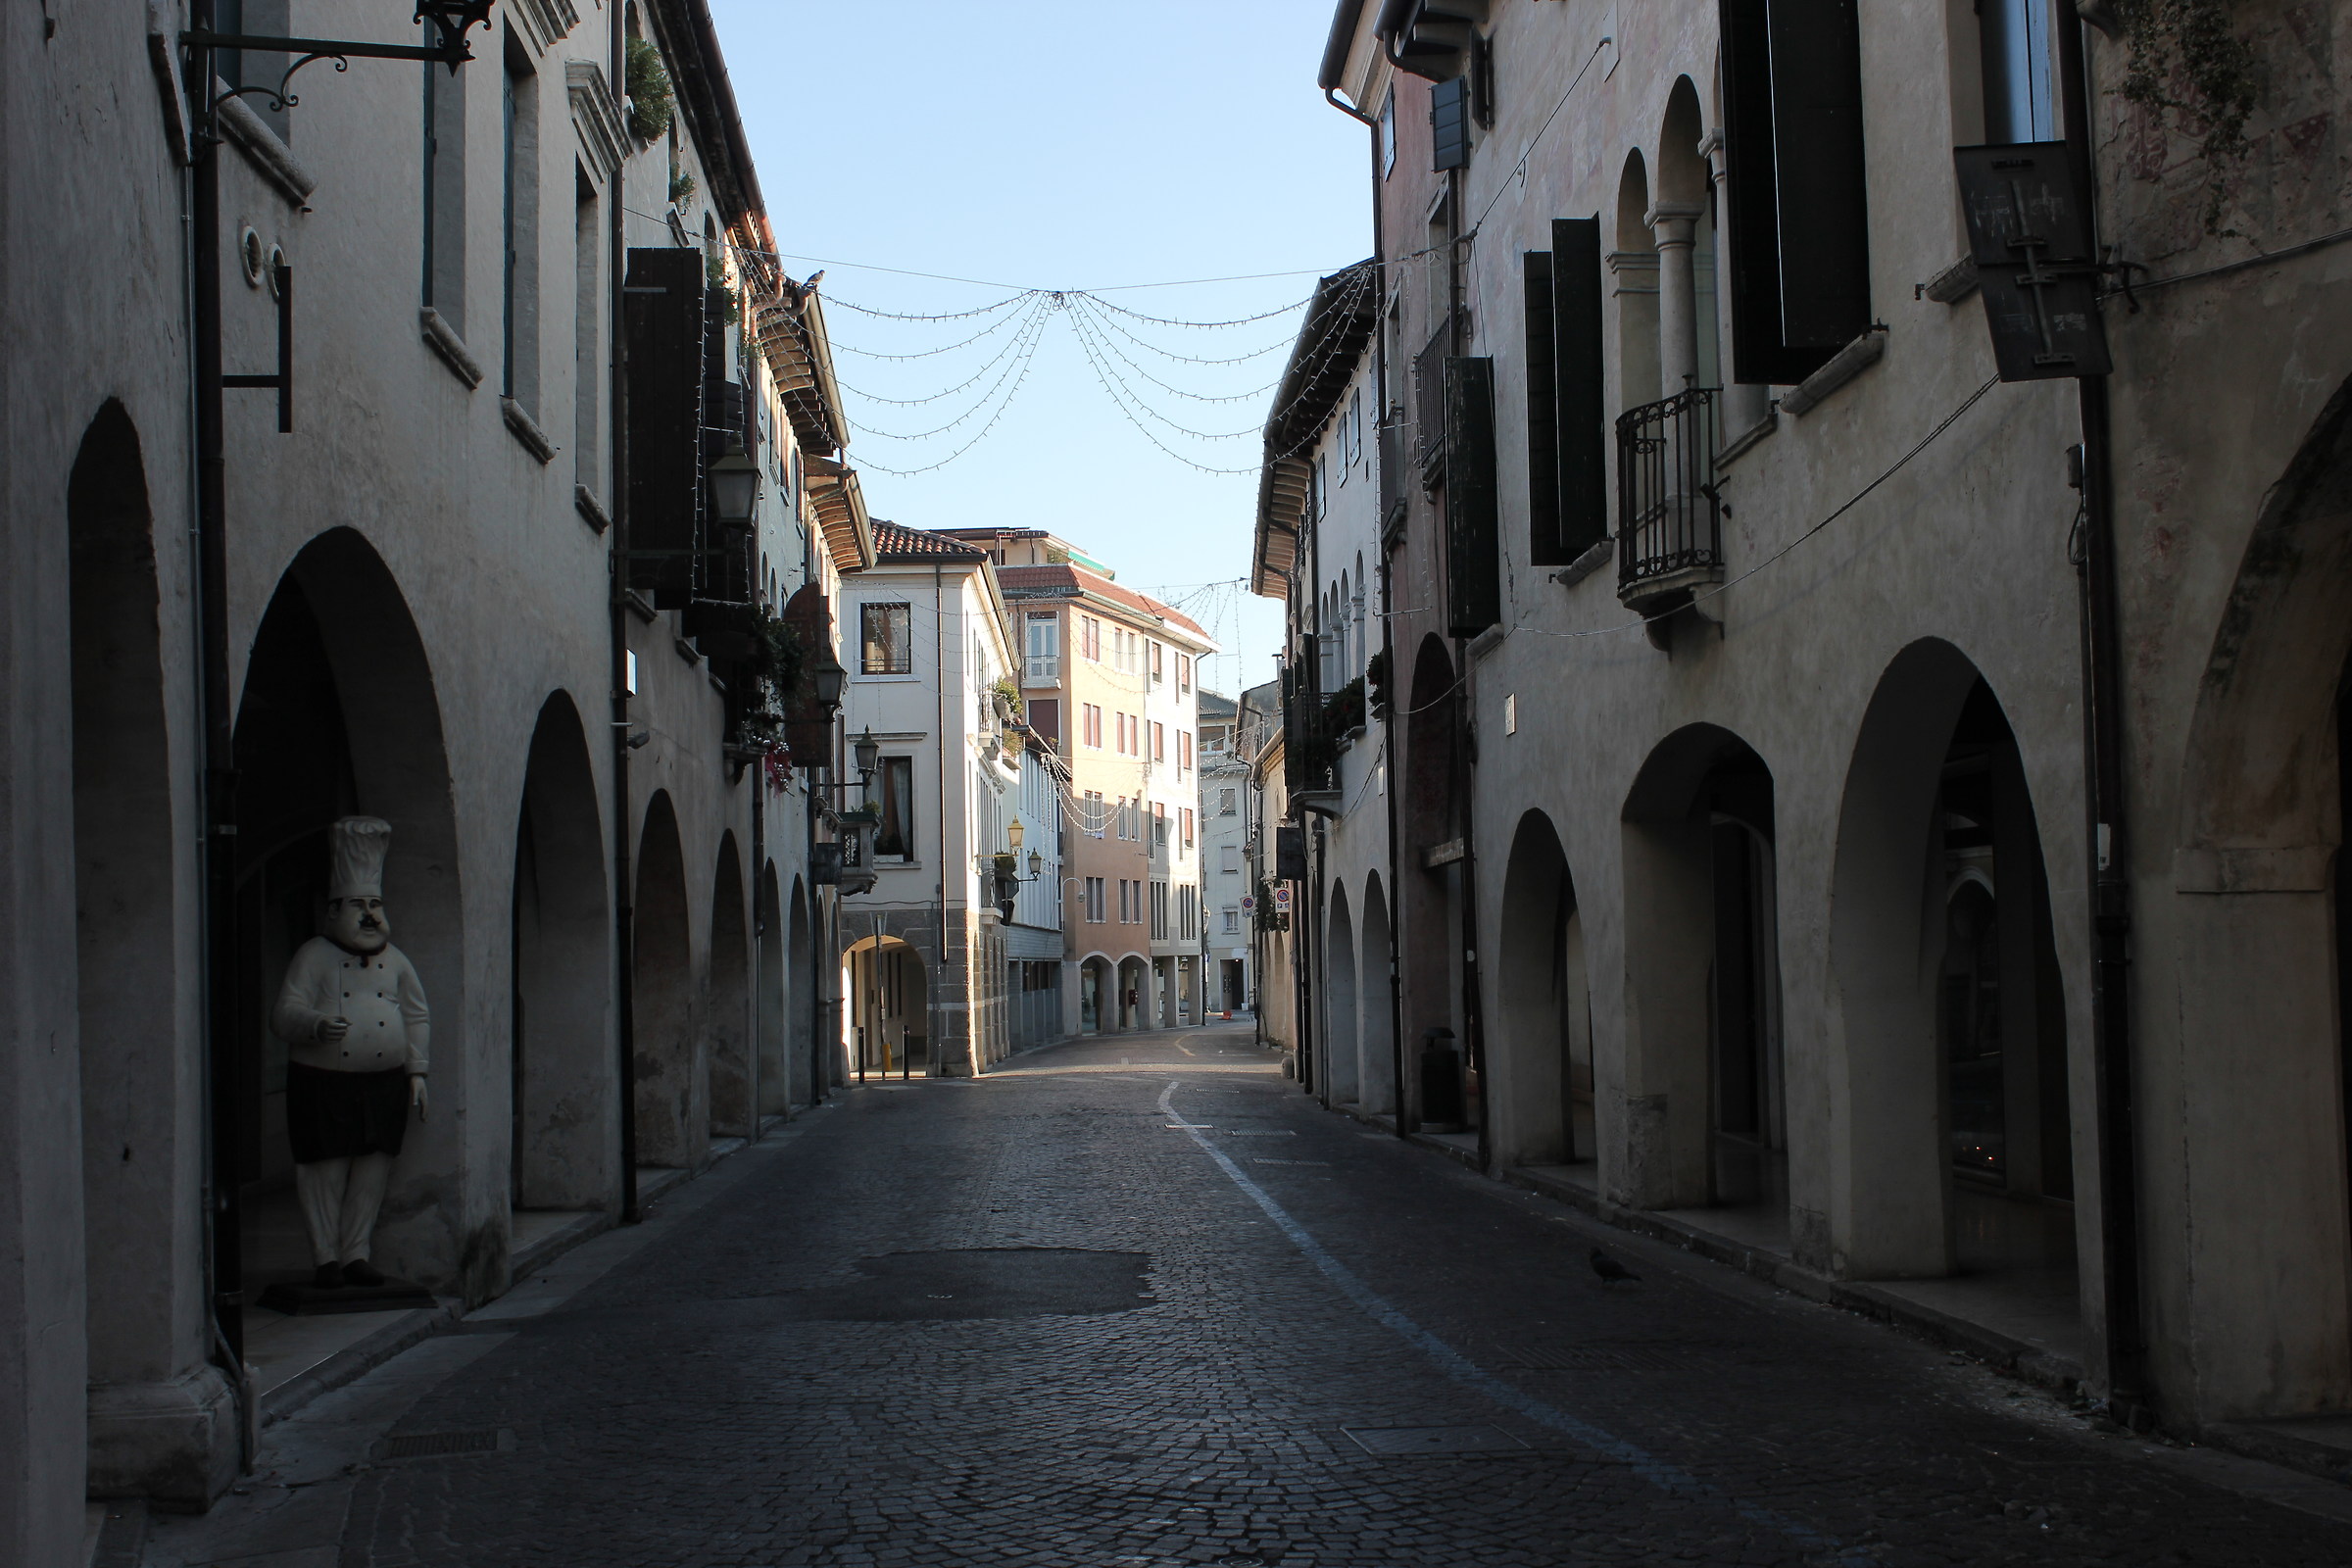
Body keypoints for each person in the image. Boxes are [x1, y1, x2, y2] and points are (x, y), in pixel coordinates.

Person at [270, 816, 429, 1289]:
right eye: (358, 905)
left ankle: (356, 1253)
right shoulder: (313, 956)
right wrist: (315, 1024)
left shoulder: (396, 960)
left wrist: (417, 1072)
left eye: (375, 905)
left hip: (384, 1083)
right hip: (323, 1082)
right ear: (334, 911)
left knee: (372, 1172)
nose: (369, 915)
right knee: (325, 1172)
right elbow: (283, 1013)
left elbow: (418, 1015)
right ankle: (325, 1258)